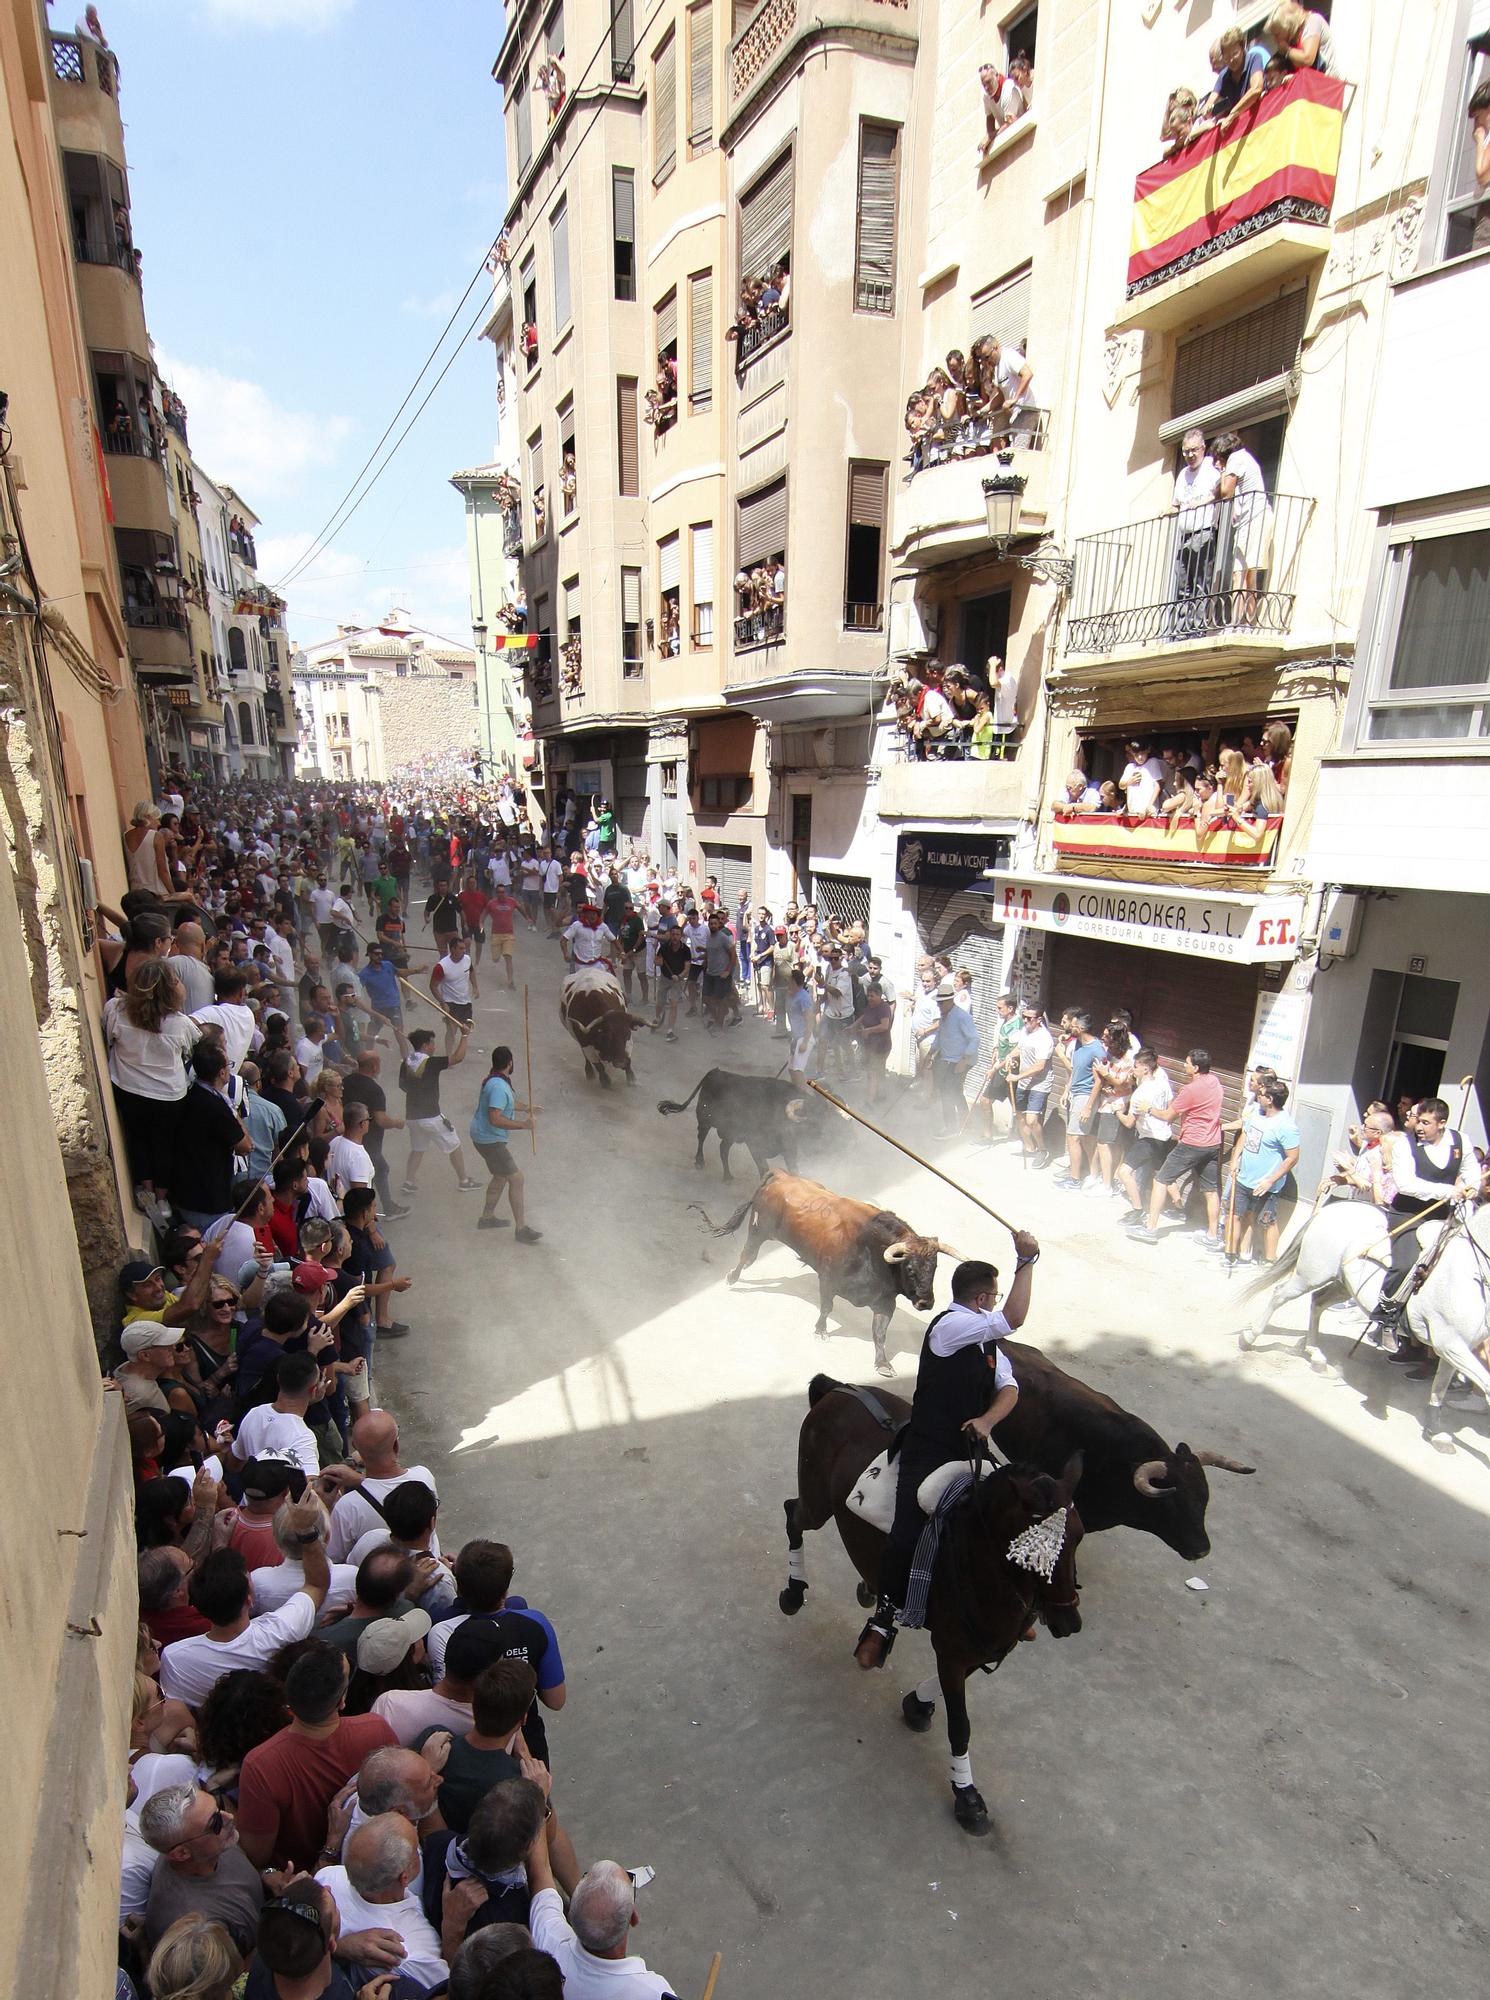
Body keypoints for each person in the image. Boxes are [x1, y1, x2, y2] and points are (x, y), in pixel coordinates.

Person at [855, 1242, 1039, 1667]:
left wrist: (989, 1421)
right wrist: (1026, 1262)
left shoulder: (987, 1344)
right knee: (908, 1527)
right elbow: (1014, 1318)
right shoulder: (951, 1327)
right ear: (981, 1299)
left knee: (1007, 1514)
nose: (995, 1304)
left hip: (971, 1446)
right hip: (930, 1446)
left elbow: (1009, 1389)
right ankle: (883, 1619)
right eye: (993, 1296)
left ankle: (1011, 1601)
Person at [235, 1643, 398, 1872]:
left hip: (303, 1879)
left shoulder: (261, 1765)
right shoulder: (376, 1730)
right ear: (341, 1701)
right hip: (374, 1866)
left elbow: (255, 1857)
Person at [159, 1503, 332, 1706]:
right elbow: (316, 1584)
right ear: (250, 1599)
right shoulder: (281, 1631)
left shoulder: (175, 1658)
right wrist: (307, 1531)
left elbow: (180, 1712)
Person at [1373, 1096, 1482, 1329]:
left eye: (1425, 1123)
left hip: (1443, 1215)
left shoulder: (1461, 1141)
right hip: (1408, 1213)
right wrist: (1448, 1191)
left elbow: (1471, 1169)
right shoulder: (1405, 1144)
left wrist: (1473, 1187)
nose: (1418, 1127)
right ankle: (1385, 1318)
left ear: (1441, 1123)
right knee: (1405, 1264)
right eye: (1418, 1121)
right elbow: (1406, 1184)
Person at [527, 1836, 677, 2000]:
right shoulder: (653, 1992)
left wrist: (541, 1815)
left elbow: (540, 1871)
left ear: (571, 1915)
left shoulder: (549, 1940)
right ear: (633, 1918)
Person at [316, 1816, 448, 1992]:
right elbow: (451, 1991)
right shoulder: (412, 1951)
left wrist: (336, 1946)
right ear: (404, 1877)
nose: (420, 1851)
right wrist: (453, 1928)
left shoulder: (326, 1879)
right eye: (416, 1850)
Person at [137, 1786, 267, 1956]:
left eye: (219, 1806)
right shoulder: (191, 1932)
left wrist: (268, 1874)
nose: (229, 1817)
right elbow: (226, 1978)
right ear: (181, 1853)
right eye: (215, 1822)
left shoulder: (213, 1845)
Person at [1128, 1048, 1225, 1246]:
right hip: (1213, 1143)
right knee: (1211, 1190)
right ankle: (1213, 1236)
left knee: (1161, 1180)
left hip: (1192, 1143)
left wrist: (1149, 1108)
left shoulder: (1189, 1090)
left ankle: (1151, 1228)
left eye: (1187, 1063)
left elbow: (1168, 1116)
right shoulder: (1215, 1082)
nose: (1184, 1065)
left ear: (1196, 1068)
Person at [1225, 1078, 1301, 1265]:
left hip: (1266, 1185)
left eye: (1262, 1094)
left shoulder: (1286, 1125)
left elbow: (1293, 1157)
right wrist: (1235, 1159)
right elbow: (1245, 1134)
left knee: (1267, 1222)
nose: (1258, 1096)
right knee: (1234, 1214)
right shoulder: (1256, 1115)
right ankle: (1231, 1255)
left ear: (1270, 1099)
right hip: (1244, 1178)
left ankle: (1269, 1260)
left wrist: (1270, 1180)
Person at [470, 1045, 542, 1242]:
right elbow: (495, 1117)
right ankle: (521, 1229)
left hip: (483, 1136)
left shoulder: (496, 1080)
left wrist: (527, 1107)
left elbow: (507, 1103)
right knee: (516, 1179)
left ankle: (487, 1217)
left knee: (500, 1176)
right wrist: (524, 1125)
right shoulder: (499, 1086)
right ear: (510, 1062)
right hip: (490, 1139)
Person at [400, 1027, 477, 1193]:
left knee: (418, 1148)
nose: (435, 1047)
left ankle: (409, 1182)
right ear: (425, 1045)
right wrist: (464, 1035)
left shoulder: (406, 1062)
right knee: (454, 1144)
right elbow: (458, 1057)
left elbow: (402, 1085)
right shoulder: (430, 1062)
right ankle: (464, 1180)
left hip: (412, 1116)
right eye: (433, 1043)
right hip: (431, 1116)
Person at [1213, 429, 1273, 622]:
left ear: (1223, 453)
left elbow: (1225, 492)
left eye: (1217, 458)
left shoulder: (1236, 458)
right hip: (1249, 520)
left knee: (1246, 575)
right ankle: (1239, 621)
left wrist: (1223, 472)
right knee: (1241, 574)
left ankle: (1244, 622)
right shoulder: (1242, 459)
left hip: (1256, 518)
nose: (1216, 463)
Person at [1169, 428, 1221, 633]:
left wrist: (1203, 501)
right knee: (1183, 586)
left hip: (1204, 532)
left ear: (1203, 448)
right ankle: (1182, 630)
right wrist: (1166, 512)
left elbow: (1222, 490)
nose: (1190, 455)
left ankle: (1197, 630)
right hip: (1185, 536)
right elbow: (1176, 504)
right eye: (1185, 451)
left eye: (1193, 450)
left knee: (1200, 584)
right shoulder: (1183, 474)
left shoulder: (1211, 468)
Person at [929, 975, 978, 1134]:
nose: (939, 1006)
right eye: (938, 1003)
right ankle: (966, 1121)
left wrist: (964, 1060)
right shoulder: (945, 1016)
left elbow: (974, 1039)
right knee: (954, 1090)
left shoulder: (962, 1017)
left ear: (950, 1000)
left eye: (941, 1003)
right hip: (951, 1059)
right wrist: (930, 1052)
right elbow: (940, 1036)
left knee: (947, 1090)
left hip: (963, 1060)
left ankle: (951, 1127)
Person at [1205, 25, 1267, 131]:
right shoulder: (1223, 76)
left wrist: (1233, 113)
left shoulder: (1254, 58)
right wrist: (1210, 109)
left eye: (1235, 54)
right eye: (1227, 57)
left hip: (1261, 121)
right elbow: (1209, 105)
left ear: (1243, 48)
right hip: (1240, 131)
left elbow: (1256, 88)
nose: (1231, 60)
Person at [432, 935, 479, 1058]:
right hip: (450, 1002)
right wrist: (442, 1002)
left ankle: (459, 1052)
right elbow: (433, 986)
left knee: (466, 1030)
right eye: (461, 948)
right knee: (452, 1030)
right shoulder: (441, 966)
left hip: (465, 1001)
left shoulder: (467, 959)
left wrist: (475, 987)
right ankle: (448, 1056)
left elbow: (471, 971)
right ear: (452, 949)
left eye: (464, 948)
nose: (464, 951)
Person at [1266, 2, 1336, 75]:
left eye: (1277, 34)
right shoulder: (1294, 40)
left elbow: (1307, 59)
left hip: (1333, 81)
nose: (1275, 40)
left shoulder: (1312, 21)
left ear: (1288, 25)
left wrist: (1287, 50)